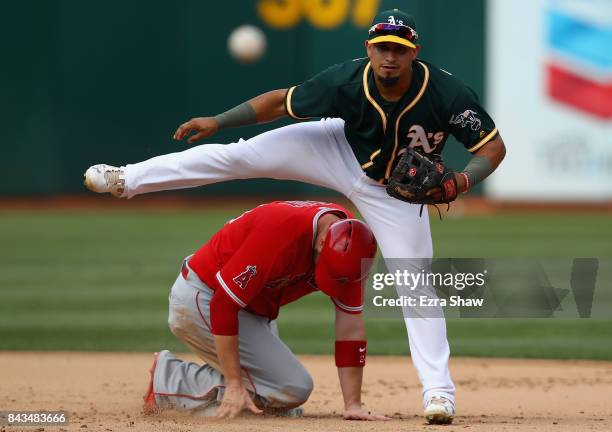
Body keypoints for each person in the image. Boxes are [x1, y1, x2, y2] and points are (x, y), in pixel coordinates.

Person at [85, 8, 506, 424]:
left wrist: (463, 182)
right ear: (369, 48)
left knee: (416, 283)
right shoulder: (346, 79)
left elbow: (491, 148)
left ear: (415, 51)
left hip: (393, 193)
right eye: (381, 47)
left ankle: (438, 395)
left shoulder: (448, 94)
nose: (389, 56)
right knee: (242, 155)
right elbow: (279, 103)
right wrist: (219, 120)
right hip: (335, 149)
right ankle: (126, 178)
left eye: (398, 48)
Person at [142, 200, 388, 420]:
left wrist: (353, 404)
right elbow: (223, 305)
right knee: (291, 388)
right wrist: (234, 382)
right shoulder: (281, 231)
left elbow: (350, 324)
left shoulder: (352, 249)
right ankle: (170, 379)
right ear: (322, 241)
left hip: (250, 309)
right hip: (204, 297)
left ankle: (248, 390)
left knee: (278, 404)